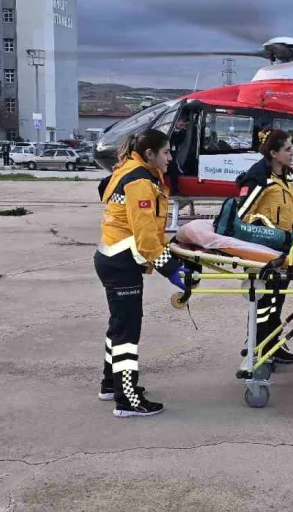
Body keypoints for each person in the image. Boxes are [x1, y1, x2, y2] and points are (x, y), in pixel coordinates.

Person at [95, 129, 188, 418]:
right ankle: (128, 399)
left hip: (113, 259)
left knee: (119, 327)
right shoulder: (139, 182)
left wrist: (171, 255)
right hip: (121, 264)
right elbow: (146, 239)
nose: (171, 158)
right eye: (166, 152)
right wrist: (171, 268)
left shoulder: (133, 171)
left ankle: (111, 384)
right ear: (150, 154)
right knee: (127, 334)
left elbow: (148, 232)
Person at [235, 128, 293, 364]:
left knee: (277, 300)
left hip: (285, 249)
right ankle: (258, 347)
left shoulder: (288, 176)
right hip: (263, 252)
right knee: (264, 303)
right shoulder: (258, 179)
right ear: (274, 153)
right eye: (288, 149)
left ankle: (271, 343)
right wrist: (268, 229)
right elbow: (242, 214)